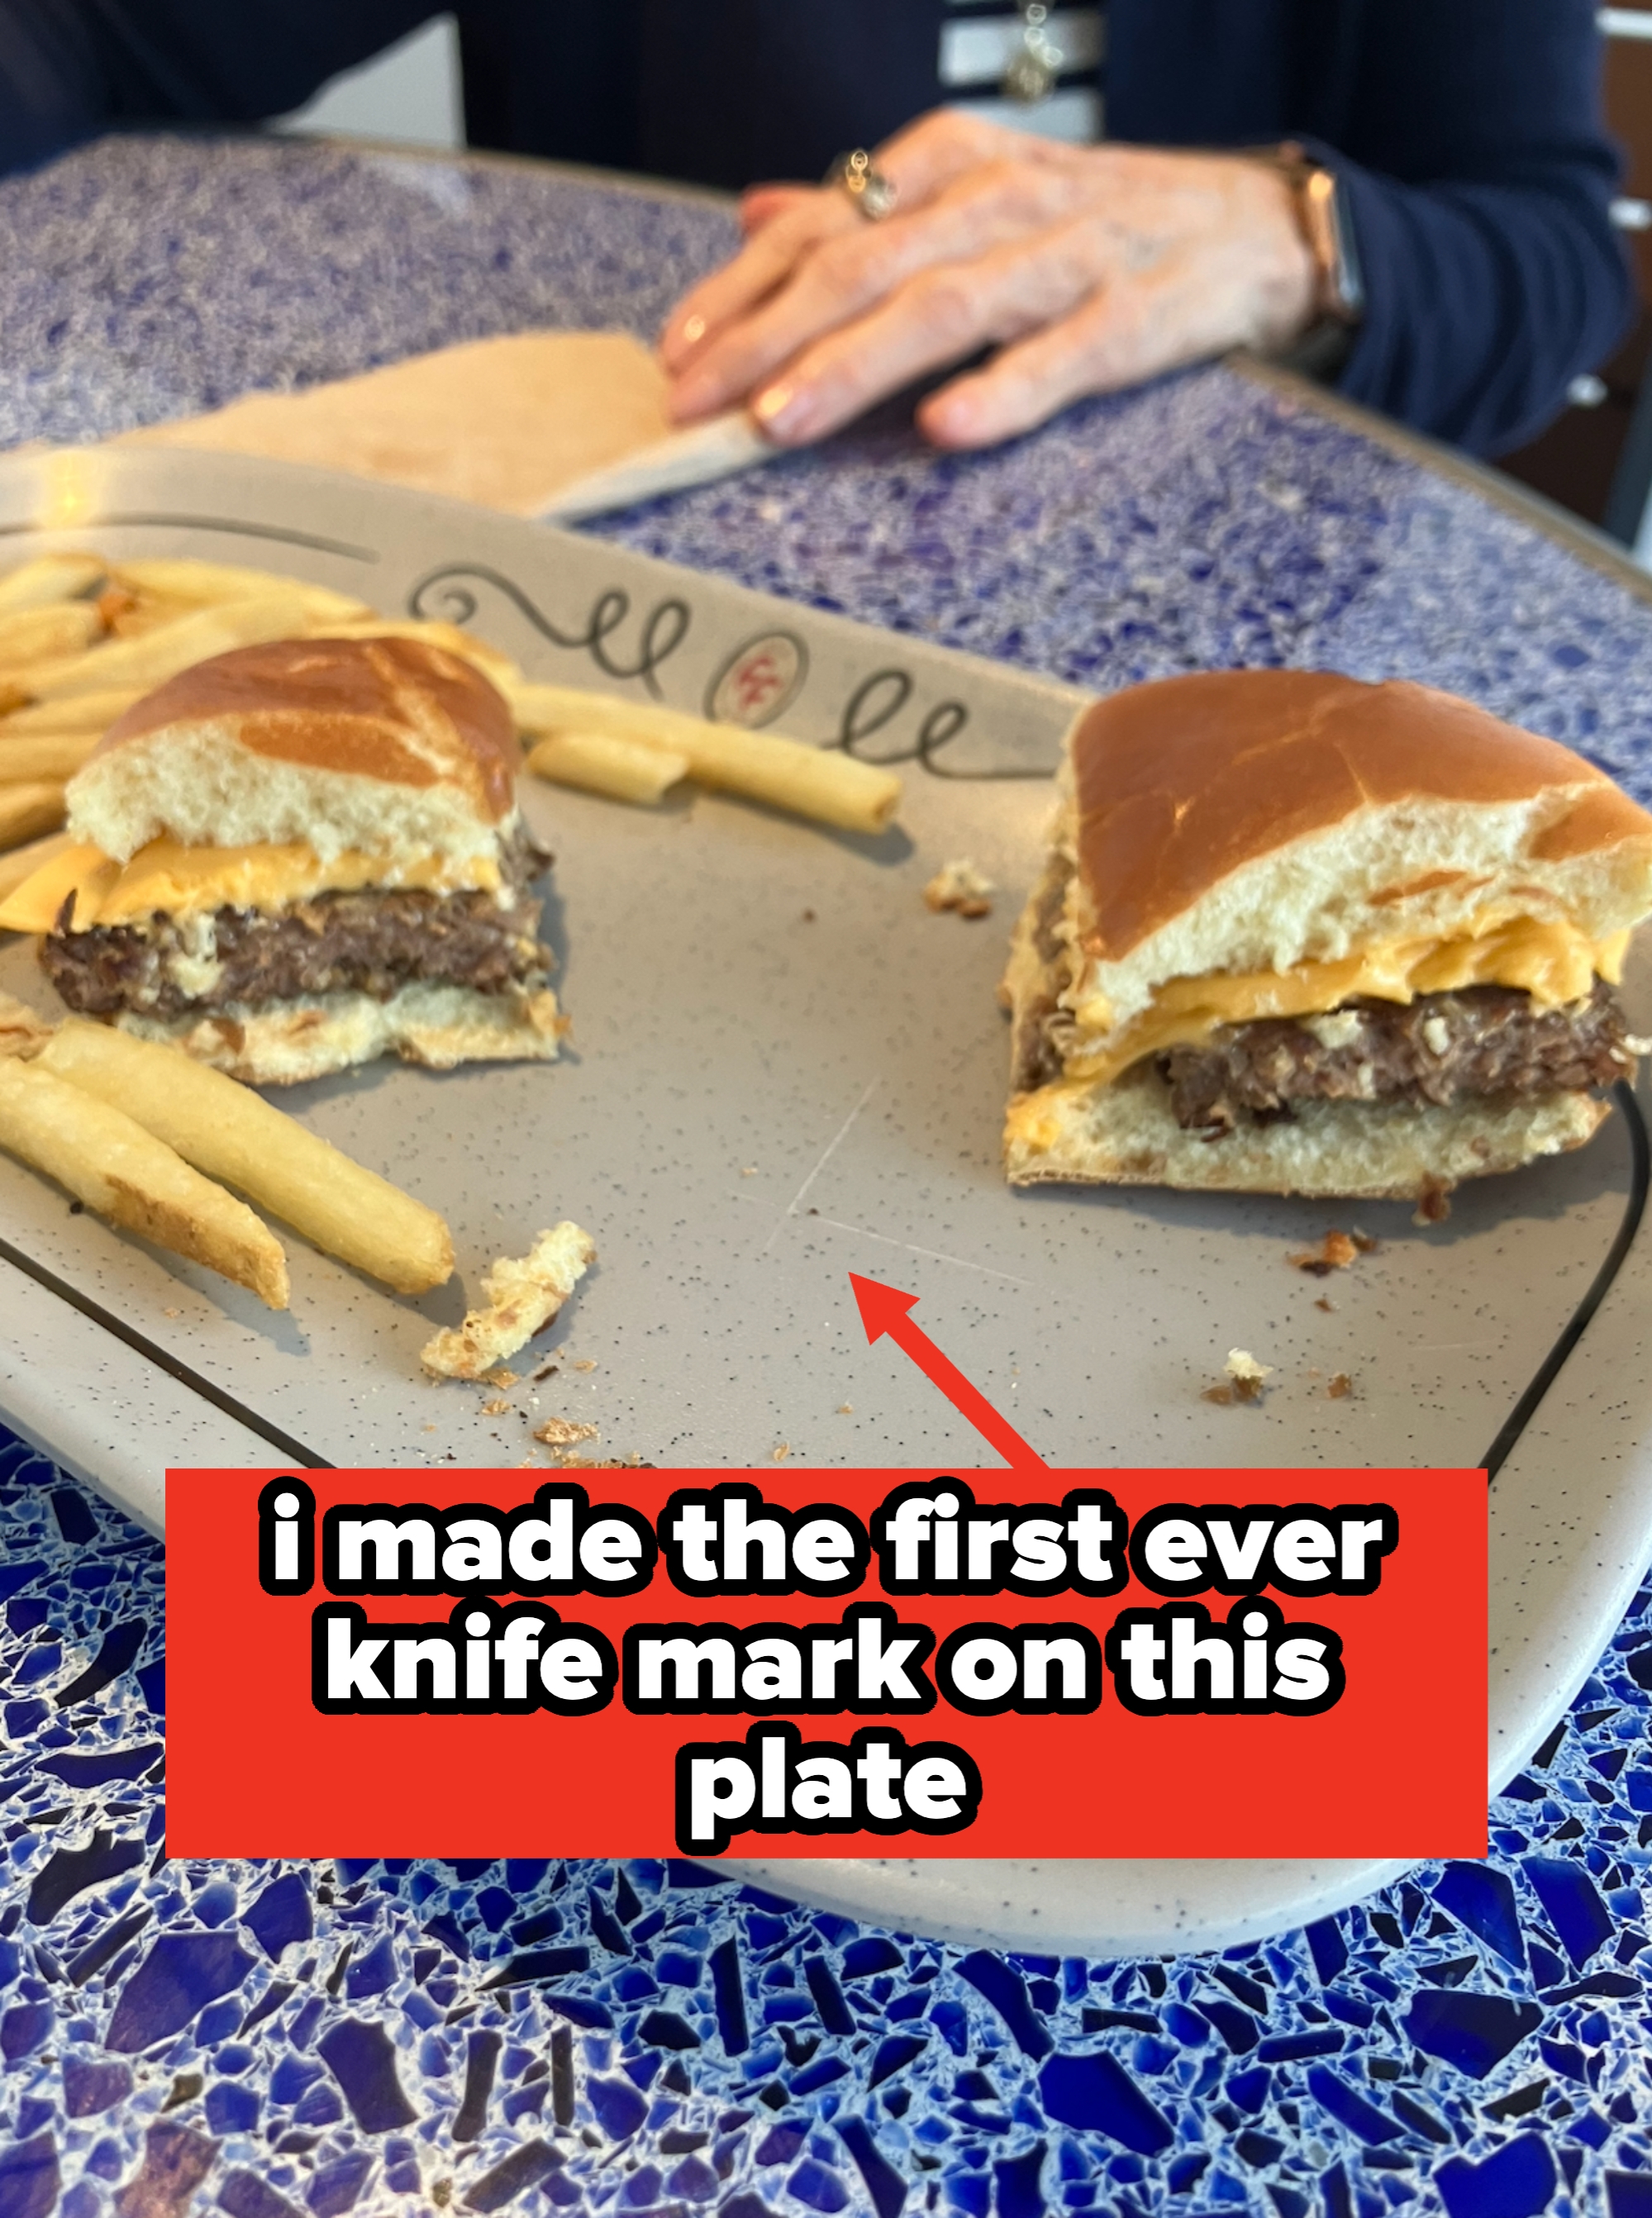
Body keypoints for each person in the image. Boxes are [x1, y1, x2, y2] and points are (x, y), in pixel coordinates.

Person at [0, 2, 1629, 459]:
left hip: (1242, 608)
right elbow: (99, 32)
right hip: (631, 588)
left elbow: (1552, 261)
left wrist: (1292, 238)